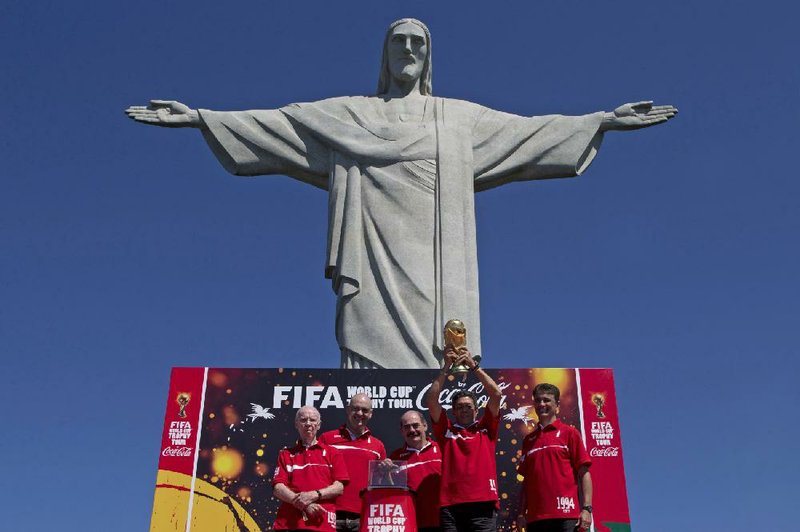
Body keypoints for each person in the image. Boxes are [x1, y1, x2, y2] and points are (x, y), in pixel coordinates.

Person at [126, 18, 677, 370]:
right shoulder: (351, 115)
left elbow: (528, 132)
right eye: (398, 42)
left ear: (428, 57)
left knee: (444, 352)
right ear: (385, 55)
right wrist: (202, 118)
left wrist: (600, 121)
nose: (408, 49)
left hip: (437, 262)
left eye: (418, 43)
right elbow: (281, 126)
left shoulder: (457, 119)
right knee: (366, 349)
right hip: (371, 253)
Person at [426, 348, 503, 532]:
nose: (464, 410)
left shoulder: (486, 428)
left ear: (476, 410)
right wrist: (445, 367)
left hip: (483, 504)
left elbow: (496, 394)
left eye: (468, 406)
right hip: (451, 507)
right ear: (453, 411)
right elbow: (431, 400)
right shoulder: (446, 431)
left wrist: (473, 366)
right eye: (459, 407)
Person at [516, 384, 593, 532]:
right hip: (535, 519)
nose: (541, 404)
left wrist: (587, 509)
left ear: (557, 404)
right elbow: (526, 482)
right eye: (538, 401)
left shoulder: (570, 433)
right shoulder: (528, 440)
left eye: (546, 400)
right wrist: (520, 513)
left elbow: (584, 472)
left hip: (567, 516)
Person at [272, 406, 348, 532]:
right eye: (303, 420)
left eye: (312, 420)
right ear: (296, 424)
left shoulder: (333, 453)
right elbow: (278, 488)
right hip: (289, 524)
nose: (308, 423)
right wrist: (304, 504)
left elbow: (339, 487)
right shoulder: (285, 454)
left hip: (322, 524)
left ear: (319, 425)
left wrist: (314, 495)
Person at [319, 393, 387, 532]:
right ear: (348, 409)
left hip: (364, 516)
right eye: (355, 409)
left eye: (365, 410)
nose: (360, 413)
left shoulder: (378, 446)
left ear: (371, 414)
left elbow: (382, 483)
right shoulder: (327, 439)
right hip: (331, 514)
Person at [388, 410, 443, 532]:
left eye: (415, 425)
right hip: (411, 523)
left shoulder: (442, 449)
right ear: (401, 431)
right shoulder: (395, 458)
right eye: (407, 427)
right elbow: (392, 492)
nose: (412, 430)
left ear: (425, 426)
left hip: (444, 521)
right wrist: (385, 474)